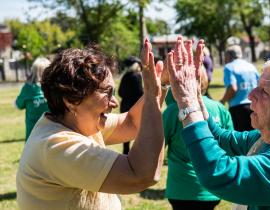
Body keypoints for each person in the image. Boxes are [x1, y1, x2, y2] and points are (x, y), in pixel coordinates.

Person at [167, 36, 270, 210]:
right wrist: (197, 98)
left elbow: (220, 173)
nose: (251, 94)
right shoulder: (269, 138)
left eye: (264, 91)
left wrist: (188, 106)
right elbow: (223, 139)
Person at [16, 40, 167, 210]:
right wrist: (152, 96)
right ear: (72, 100)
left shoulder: (77, 122)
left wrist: (163, 80)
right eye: (107, 93)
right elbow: (141, 174)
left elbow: (131, 123)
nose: (114, 102)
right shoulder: (55, 146)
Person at [163, 65, 234, 210]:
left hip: (181, 189)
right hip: (213, 188)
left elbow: (156, 145)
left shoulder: (171, 111)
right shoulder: (220, 109)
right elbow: (231, 147)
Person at [220, 45, 260, 131]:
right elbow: (259, 84)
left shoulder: (229, 67)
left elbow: (232, 88)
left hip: (238, 108)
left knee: (242, 140)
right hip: (254, 106)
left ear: (229, 55)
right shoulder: (251, 66)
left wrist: (222, 101)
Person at [15, 57, 51, 140]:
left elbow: (18, 105)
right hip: (51, 131)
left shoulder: (28, 88)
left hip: (32, 135)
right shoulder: (54, 88)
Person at [118, 56, 143, 154]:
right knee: (138, 130)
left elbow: (120, 92)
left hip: (124, 106)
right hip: (134, 107)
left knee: (126, 131)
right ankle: (137, 153)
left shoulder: (125, 76)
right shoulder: (137, 76)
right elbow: (140, 93)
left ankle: (125, 152)